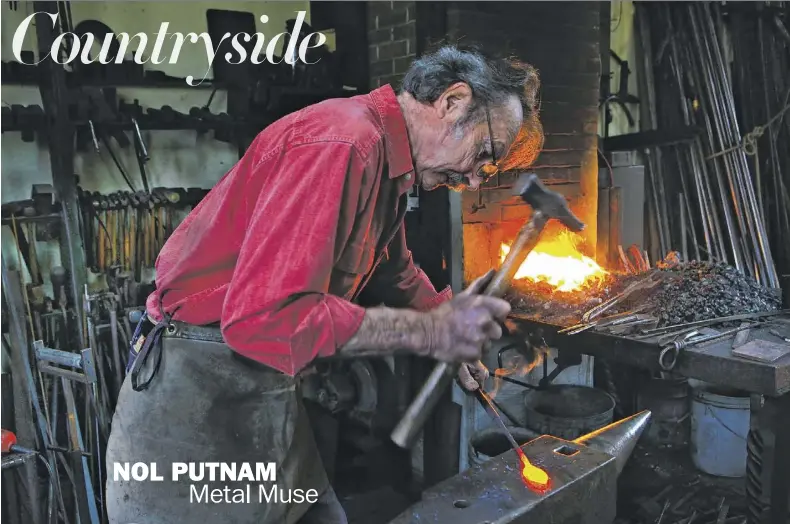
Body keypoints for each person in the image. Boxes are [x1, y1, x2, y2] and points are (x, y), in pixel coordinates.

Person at [105, 45, 544, 524]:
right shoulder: (343, 143)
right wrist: (429, 333)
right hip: (197, 390)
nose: (475, 182)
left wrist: (449, 329)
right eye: (484, 154)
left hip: (267, 383)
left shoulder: (387, 164)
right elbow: (265, 318)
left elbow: (393, 270)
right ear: (452, 101)